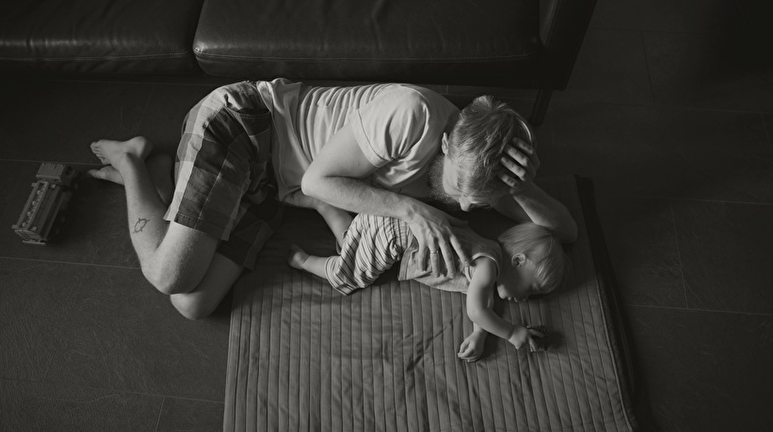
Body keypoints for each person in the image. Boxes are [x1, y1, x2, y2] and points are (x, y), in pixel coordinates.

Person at [87, 79, 576, 320]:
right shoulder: (413, 113)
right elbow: (318, 183)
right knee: (170, 276)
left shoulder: (482, 174)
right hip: (246, 127)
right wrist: (414, 209)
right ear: (447, 143)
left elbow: (565, 232)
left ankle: (163, 177)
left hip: (273, 189)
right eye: (458, 193)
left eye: (478, 202)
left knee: (193, 304)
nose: (465, 209)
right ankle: (130, 162)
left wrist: (519, 185)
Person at [287, 212, 566, 361]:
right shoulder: (488, 266)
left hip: (391, 221)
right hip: (396, 235)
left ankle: (326, 207)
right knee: (350, 276)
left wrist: (480, 334)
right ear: (518, 260)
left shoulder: (487, 262)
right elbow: (476, 310)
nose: (526, 298)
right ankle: (304, 261)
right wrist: (511, 331)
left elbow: (482, 302)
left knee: (351, 242)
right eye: (532, 289)